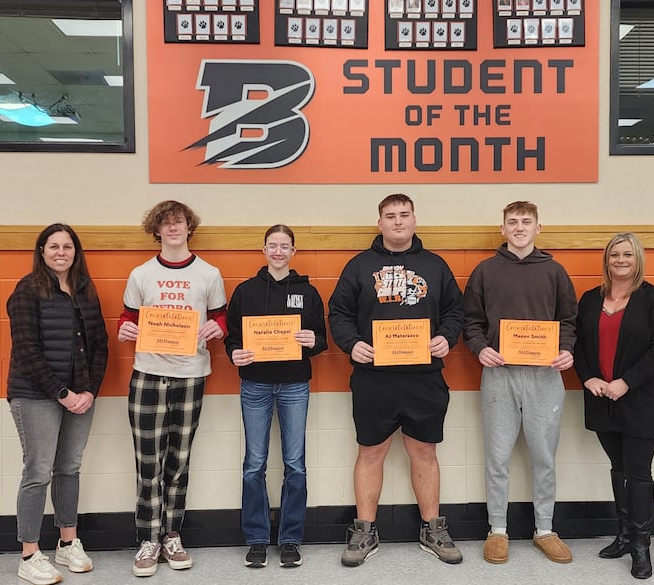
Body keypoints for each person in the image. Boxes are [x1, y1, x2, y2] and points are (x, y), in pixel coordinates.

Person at [328, 193, 464, 567]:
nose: (398, 222)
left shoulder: (435, 266)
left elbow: (456, 311)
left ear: (415, 220)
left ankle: (432, 528)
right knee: (371, 452)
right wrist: (351, 344)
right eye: (390, 216)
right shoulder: (359, 266)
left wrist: (446, 337)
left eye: (404, 215)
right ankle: (364, 530)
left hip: (424, 377)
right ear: (380, 224)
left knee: (425, 452)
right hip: (373, 378)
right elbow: (338, 313)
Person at [462, 201, 577, 565]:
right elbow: (472, 321)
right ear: (503, 229)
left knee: (544, 456)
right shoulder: (485, 271)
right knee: (497, 456)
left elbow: (569, 321)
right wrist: (480, 349)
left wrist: (567, 351)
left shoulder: (555, 272)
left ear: (538, 228)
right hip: (499, 373)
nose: (519, 227)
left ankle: (545, 529)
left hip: (545, 375)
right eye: (512, 222)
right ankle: (498, 529)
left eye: (526, 221)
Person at [117, 200, 227, 577]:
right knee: (148, 463)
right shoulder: (141, 273)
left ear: (189, 227)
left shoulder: (209, 273)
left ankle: (172, 535)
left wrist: (220, 328)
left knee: (178, 462)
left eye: (179, 222)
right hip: (148, 373)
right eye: (166, 223)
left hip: (192, 374)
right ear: (157, 231)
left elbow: (220, 315)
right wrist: (124, 329)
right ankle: (148, 539)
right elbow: (128, 316)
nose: (174, 228)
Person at [7, 224, 108, 585]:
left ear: (76, 252)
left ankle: (68, 543)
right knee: (38, 471)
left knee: (69, 467)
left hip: (81, 397)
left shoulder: (85, 290)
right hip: (36, 396)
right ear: (41, 251)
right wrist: (62, 394)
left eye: (68, 246)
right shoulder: (27, 290)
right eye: (53, 246)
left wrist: (90, 391)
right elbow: (27, 351)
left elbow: (100, 346)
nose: (61, 252)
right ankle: (30, 554)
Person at [224, 225, 327, 569]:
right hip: (254, 385)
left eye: (285, 246)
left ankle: (290, 538)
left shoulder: (308, 293)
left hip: (295, 385)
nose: (279, 251)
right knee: (254, 464)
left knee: (294, 464)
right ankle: (256, 538)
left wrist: (312, 342)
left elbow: (322, 340)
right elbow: (232, 338)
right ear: (263, 250)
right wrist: (235, 353)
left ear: (294, 251)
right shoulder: (245, 291)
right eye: (273, 246)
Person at [573, 233, 654, 580]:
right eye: (614, 254)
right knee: (618, 467)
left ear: (638, 259)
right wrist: (587, 378)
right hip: (601, 398)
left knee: (638, 471)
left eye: (627, 255)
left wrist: (626, 382)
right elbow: (579, 347)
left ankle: (641, 545)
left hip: (640, 399)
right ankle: (623, 535)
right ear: (607, 259)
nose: (620, 260)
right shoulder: (589, 299)